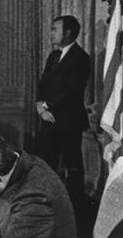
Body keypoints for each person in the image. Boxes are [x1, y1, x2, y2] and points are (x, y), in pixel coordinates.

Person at [35, 15, 92, 205]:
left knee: (72, 166)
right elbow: (43, 84)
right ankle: (48, 202)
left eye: (55, 29)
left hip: (68, 120)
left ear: (67, 33)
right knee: (46, 163)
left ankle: (74, 207)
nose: (51, 33)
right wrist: (39, 105)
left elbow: (70, 91)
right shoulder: (53, 56)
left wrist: (47, 108)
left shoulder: (81, 58)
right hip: (47, 118)